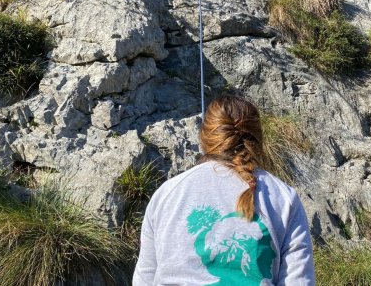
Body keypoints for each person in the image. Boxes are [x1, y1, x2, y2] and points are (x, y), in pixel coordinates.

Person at [133, 95, 315, 285]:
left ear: (205, 138)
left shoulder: (167, 194)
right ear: (258, 138)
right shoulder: (284, 198)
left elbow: (144, 279)